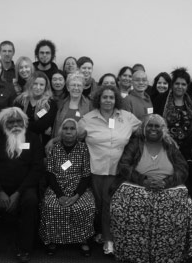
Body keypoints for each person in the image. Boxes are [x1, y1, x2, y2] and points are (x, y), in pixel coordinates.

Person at [110, 114, 192, 263]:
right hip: (138, 185)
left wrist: (166, 183)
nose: (153, 129)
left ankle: (167, 255)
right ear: (144, 128)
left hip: (168, 186)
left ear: (163, 129)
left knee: (179, 207)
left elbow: (182, 169)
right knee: (124, 205)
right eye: (150, 126)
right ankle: (134, 255)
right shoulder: (135, 143)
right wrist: (143, 180)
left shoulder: (170, 145)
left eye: (157, 126)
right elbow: (124, 166)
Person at [0, 107, 45, 263]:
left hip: (24, 187)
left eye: (18, 121)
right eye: (10, 121)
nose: (15, 124)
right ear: (3, 124)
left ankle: (24, 247)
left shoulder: (32, 139)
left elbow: (37, 168)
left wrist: (18, 193)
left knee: (31, 200)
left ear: (25, 122)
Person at [78, 85, 141, 255]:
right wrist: (53, 141)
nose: (108, 100)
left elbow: (146, 129)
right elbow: (72, 136)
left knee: (108, 204)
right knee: (99, 204)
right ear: (99, 99)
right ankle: (99, 233)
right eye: (104, 97)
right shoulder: (88, 119)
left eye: (111, 97)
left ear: (116, 100)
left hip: (118, 170)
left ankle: (108, 239)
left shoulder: (127, 117)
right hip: (95, 169)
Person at [39, 118, 95, 257]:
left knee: (85, 206)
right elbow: (50, 174)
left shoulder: (83, 148)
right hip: (58, 186)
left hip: (79, 187)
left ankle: (82, 239)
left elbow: (86, 175)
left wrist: (76, 195)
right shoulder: (54, 148)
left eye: (72, 128)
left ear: (77, 132)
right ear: (60, 132)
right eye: (65, 128)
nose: (68, 131)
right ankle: (52, 239)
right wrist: (60, 195)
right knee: (51, 205)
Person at [14, 71, 57, 147]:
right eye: (35, 84)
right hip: (21, 141)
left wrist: (23, 124)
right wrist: (41, 129)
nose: (38, 87)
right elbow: (15, 121)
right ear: (30, 84)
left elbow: (44, 124)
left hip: (41, 143)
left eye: (41, 85)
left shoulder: (50, 104)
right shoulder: (20, 100)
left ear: (45, 87)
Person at [157, 67, 192, 145]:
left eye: (183, 84)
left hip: (186, 146)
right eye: (177, 83)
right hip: (165, 144)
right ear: (172, 84)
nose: (180, 87)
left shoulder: (191, 101)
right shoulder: (161, 99)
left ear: (187, 86)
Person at [53, 71, 92, 137]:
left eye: (79, 85)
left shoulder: (90, 105)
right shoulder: (60, 103)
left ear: (83, 88)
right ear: (68, 88)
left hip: (82, 143)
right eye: (73, 85)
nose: (76, 88)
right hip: (60, 141)